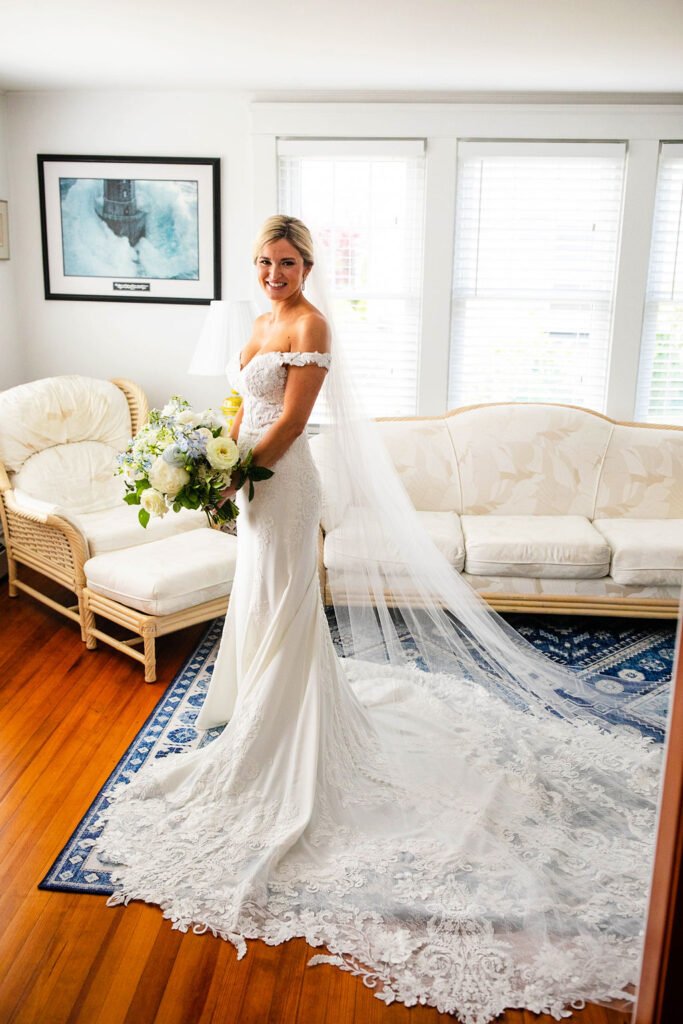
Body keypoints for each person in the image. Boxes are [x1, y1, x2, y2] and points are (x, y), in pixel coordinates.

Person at [96, 215, 664, 1024]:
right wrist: (216, 468)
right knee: (255, 598)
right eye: (263, 262)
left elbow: (289, 424)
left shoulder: (311, 324)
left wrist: (240, 475)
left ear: (307, 264)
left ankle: (286, 721)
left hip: (284, 486)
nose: (273, 274)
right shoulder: (259, 321)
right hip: (249, 488)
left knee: (287, 598)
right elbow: (239, 409)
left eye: (285, 262)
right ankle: (258, 699)